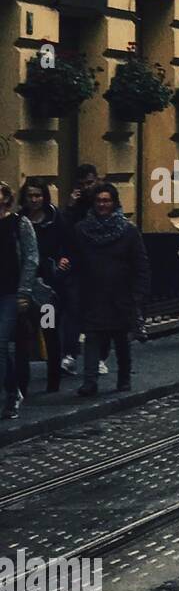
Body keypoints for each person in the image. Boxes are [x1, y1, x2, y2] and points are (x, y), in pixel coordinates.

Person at [73, 182, 151, 396]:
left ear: (114, 203)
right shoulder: (82, 230)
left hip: (121, 294)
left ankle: (124, 378)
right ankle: (90, 381)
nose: (102, 204)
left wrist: (138, 294)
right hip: (93, 293)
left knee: (120, 339)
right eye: (99, 200)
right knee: (92, 338)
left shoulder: (128, 230)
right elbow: (76, 260)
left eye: (106, 200)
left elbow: (140, 264)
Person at [17, 178, 71, 394]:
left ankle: (53, 380)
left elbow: (68, 245)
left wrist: (63, 260)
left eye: (38, 195)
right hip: (25, 286)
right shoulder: (19, 220)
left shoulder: (55, 219)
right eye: (30, 195)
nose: (34, 200)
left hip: (49, 287)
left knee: (49, 330)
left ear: (44, 196)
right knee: (23, 334)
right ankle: (22, 385)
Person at [0, 181, 38, 420]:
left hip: (11, 291)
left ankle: (12, 395)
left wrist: (24, 291)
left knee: (1, 344)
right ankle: (12, 390)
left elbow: (32, 257)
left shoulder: (19, 224)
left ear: (5, 197)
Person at [59, 162, 100, 376]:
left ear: (97, 181)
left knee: (97, 313)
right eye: (82, 184)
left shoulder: (103, 201)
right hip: (76, 264)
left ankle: (99, 357)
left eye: (90, 183)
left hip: (99, 266)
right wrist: (70, 206)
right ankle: (70, 354)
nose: (86, 188)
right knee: (73, 310)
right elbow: (64, 231)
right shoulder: (74, 208)